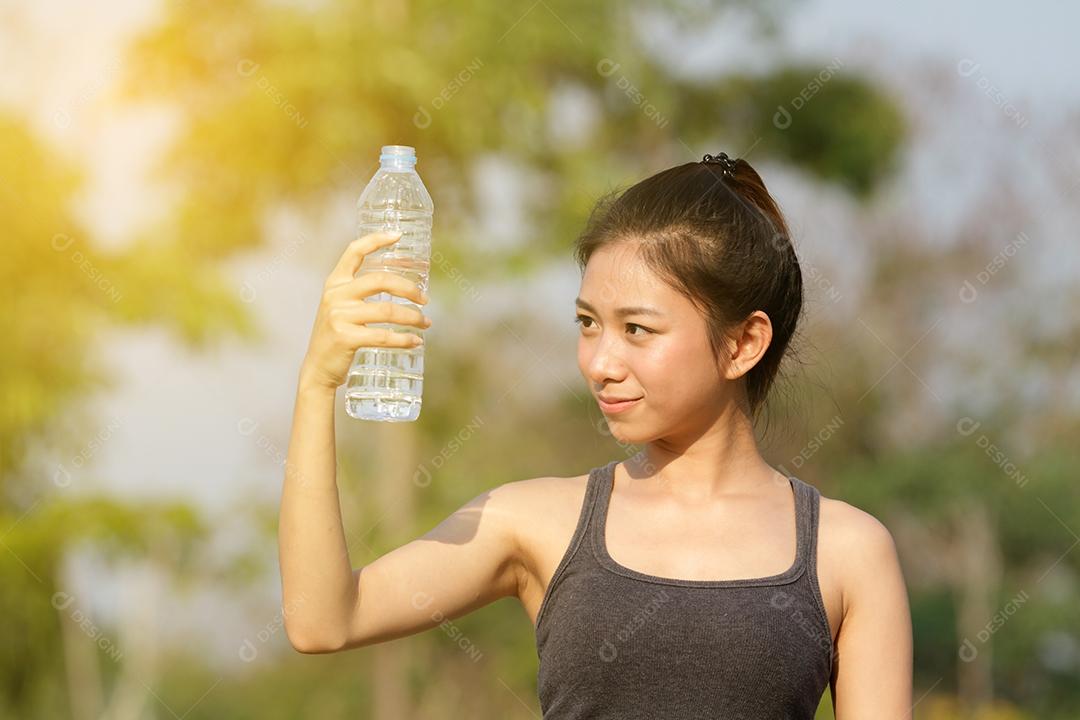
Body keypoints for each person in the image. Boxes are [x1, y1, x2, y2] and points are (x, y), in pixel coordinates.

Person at [278, 152, 913, 719]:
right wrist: (317, 385)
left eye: (637, 329)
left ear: (743, 343)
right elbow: (324, 618)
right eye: (588, 323)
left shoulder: (848, 552)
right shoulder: (532, 522)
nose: (599, 361)